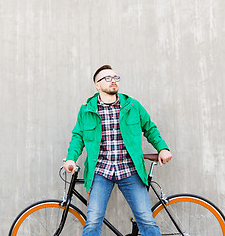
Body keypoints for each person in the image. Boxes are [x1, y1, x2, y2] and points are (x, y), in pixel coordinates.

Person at [62, 65, 172, 236]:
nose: (113, 80)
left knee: (146, 220)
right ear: (97, 85)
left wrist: (162, 148)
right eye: (107, 78)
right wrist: (71, 159)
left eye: (115, 77)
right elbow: (78, 137)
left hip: (130, 170)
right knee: (92, 222)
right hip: (100, 172)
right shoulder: (87, 110)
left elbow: (150, 129)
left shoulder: (132, 106)